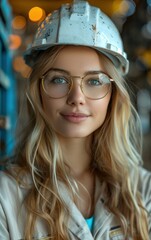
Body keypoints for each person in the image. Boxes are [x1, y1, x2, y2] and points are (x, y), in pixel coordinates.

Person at [0, 0, 151, 239]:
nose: (77, 98)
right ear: (39, 91)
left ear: (113, 94)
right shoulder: (5, 196)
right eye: (59, 79)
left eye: (94, 81)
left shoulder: (144, 191)